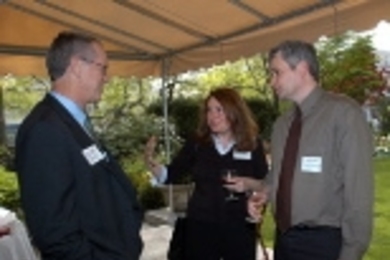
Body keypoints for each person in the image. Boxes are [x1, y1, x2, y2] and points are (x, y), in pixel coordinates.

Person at [14, 31, 143, 260]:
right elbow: (55, 233)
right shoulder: (44, 130)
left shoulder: (71, 121)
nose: (106, 77)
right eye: (103, 68)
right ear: (76, 66)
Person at [248, 40, 373, 260]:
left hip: (323, 245)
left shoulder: (343, 114)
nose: (271, 81)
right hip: (284, 240)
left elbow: (359, 192)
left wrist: (352, 251)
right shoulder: (282, 124)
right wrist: (263, 194)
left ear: (303, 69)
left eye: (277, 72)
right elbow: (278, 175)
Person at [145, 87, 269, 260]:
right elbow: (172, 172)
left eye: (219, 109)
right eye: (209, 110)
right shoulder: (197, 143)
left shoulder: (251, 145)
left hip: (239, 227)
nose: (212, 116)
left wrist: (254, 197)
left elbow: (264, 182)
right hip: (201, 226)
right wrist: (154, 166)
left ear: (235, 111)